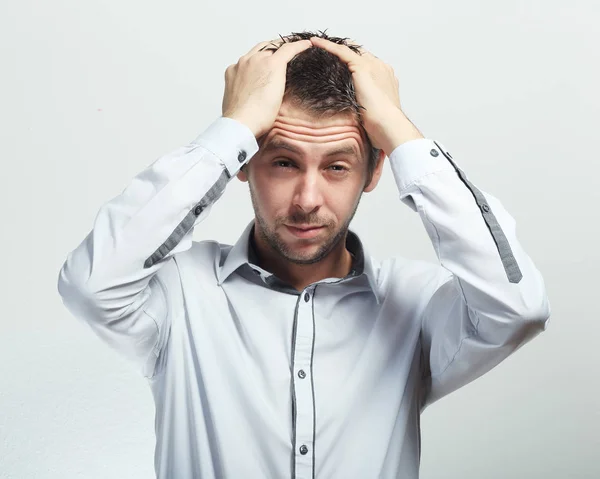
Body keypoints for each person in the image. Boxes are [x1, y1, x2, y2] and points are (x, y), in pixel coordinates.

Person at [57, 30, 551, 479]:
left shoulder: (415, 305)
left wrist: (400, 132)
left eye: (337, 166)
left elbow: (518, 307)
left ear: (374, 172)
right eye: (284, 162)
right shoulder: (178, 294)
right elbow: (90, 284)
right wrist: (233, 129)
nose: (308, 199)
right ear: (245, 163)